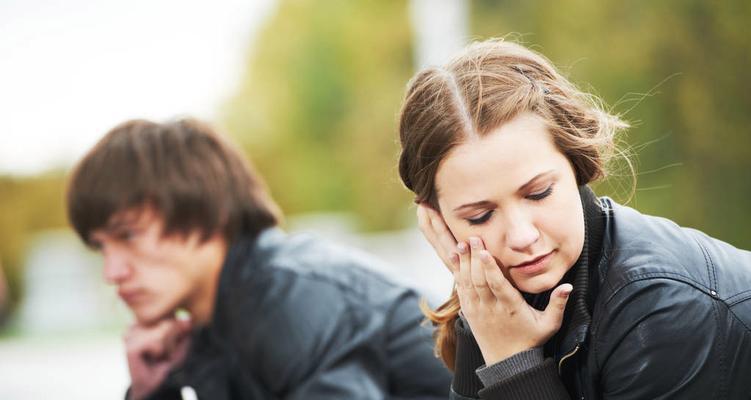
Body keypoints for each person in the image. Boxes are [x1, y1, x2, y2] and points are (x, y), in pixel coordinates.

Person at [396, 39, 751, 400]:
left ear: (576, 165)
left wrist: (512, 363)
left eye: (539, 194)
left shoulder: (664, 312)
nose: (521, 236)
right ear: (438, 222)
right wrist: (477, 317)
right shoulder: (501, 302)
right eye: (481, 216)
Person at [66, 118, 451, 399]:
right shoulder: (215, 323)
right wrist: (151, 392)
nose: (112, 272)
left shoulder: (288, 299)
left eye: (128, 235)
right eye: (101, 247)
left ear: (206, 212)